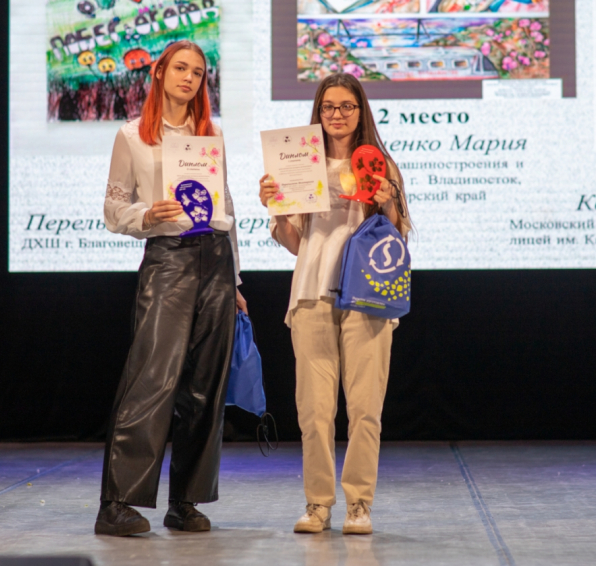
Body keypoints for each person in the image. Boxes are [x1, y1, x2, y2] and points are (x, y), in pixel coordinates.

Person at [96, 40, 246, 537]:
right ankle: (117, 503)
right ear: (159, 73)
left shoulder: (211, 135)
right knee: (152, 380)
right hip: (169, 259)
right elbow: (113, 209)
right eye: (180, 68)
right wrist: (147, 214)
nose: (189, 78)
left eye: (198, 72)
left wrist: (236, 280)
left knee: (205, 387)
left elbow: (227, 208)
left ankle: (185, 501)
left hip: (217, 260)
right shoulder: (132, 136)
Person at [259, 73, 410, 535]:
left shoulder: (380, 164)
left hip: (368, 297)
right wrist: (276, 206)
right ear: (318, 112)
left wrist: (387, 203)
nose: (337, 115)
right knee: (314, 410)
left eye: (346, 106)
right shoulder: (300, 162)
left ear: (361, 111)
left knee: (365, 408)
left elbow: (397, 239)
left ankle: (359, 504)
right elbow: (295, 243)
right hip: (311, 291)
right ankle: (318, 504)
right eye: (328, 107)